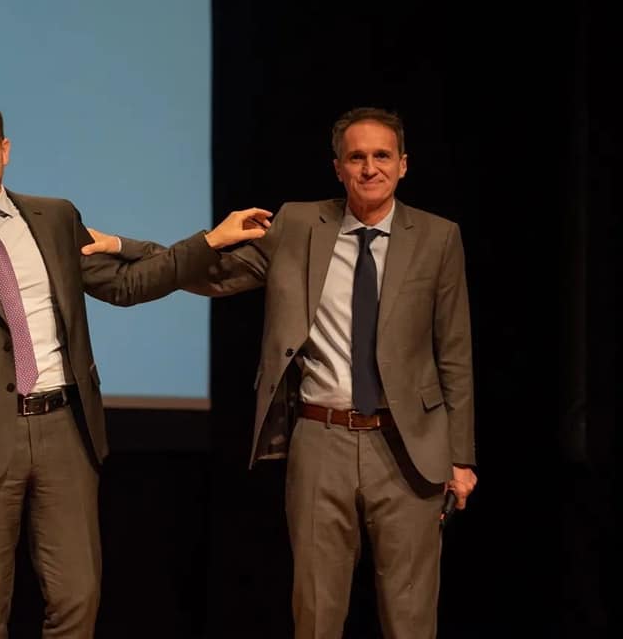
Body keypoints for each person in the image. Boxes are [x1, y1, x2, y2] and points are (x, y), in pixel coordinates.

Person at [85, 107, 478, 638]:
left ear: (403, 165)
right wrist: (122, 247)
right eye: (356, 157)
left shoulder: (437, 236)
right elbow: (217, 275)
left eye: (381, 156)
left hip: (408, 445)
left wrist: (460, 457)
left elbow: (454, 352)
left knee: (410, 618)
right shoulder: (298, 224)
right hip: (321, 438)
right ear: (337, 167)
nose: (369, 168)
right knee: (315, 612)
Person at [0, 97, 269, 639]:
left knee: (77, 600)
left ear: (4, 150)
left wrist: (209, 241)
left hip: (65, 429)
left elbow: (128, 283)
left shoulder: (55, 217)